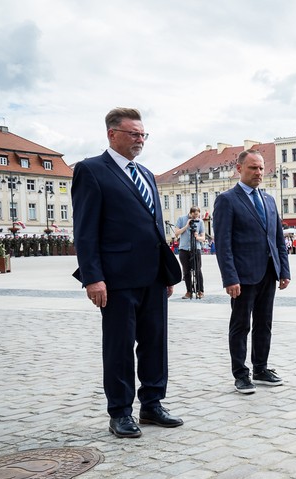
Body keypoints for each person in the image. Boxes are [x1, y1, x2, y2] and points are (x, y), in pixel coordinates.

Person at [72, 107, 183, 438]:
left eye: (143, 134)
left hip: (153, 276)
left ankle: (152, 404)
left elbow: (153, 227)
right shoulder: (92, 170)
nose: (140, 140)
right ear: (112, 134)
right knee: (119, 347)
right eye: (134, 134)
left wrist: (165, 273)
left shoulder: (147, 174)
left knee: (155, 343)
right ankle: (120, 411)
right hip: (116, 279)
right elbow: (85, 229)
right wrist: (93, 277)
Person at [213, 149, 291, 394]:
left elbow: (278, 238)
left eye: (261, 168)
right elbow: (223, 244)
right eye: (252, 168)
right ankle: (241, 373)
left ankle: (261, 368)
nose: (258, 173)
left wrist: (284, 270)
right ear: (239, 169)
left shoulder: (268, 200)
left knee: (264, 323)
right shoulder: (227, 199)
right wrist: (230, 277)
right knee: (240, 325)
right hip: (243, 276)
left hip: (268, 272)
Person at [175, 206, 206, 299]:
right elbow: (176, 233)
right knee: (186, 271)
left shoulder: (200, 222)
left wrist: (197, 237)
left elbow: (203, 238)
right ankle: (189, 291)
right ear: (191, 213)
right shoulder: (181, 219)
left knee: (198, 270)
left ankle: (200, 291)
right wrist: (186, 225)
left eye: (198, 215)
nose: (196, 217)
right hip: (184, 249)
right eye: (195, 215)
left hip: (196, 249)